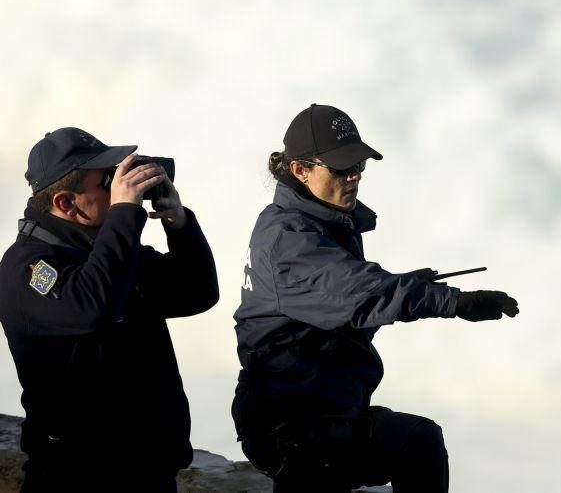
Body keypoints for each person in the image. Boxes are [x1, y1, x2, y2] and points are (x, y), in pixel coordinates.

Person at [232, 104, 519, 492]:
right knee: (405, 445)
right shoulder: (289, 237)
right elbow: (361, 294)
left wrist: (412, 286)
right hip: (290, 427)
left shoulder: (324, 219)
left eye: (359, 167)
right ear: (300, 169)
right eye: (341, 168)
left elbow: (353, 297)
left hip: (323, 412)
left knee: (418, 442)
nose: (354, 177)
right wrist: (454, 302)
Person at [0, 128, 219, 492]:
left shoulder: (110, 250)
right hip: (79, 476)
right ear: (66, 204)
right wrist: (124, 215)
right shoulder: (29, 266)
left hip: (149, 471)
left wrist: (178, 224)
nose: (123, 184)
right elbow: (91, 307)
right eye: (108, 181)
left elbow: (196, 293)